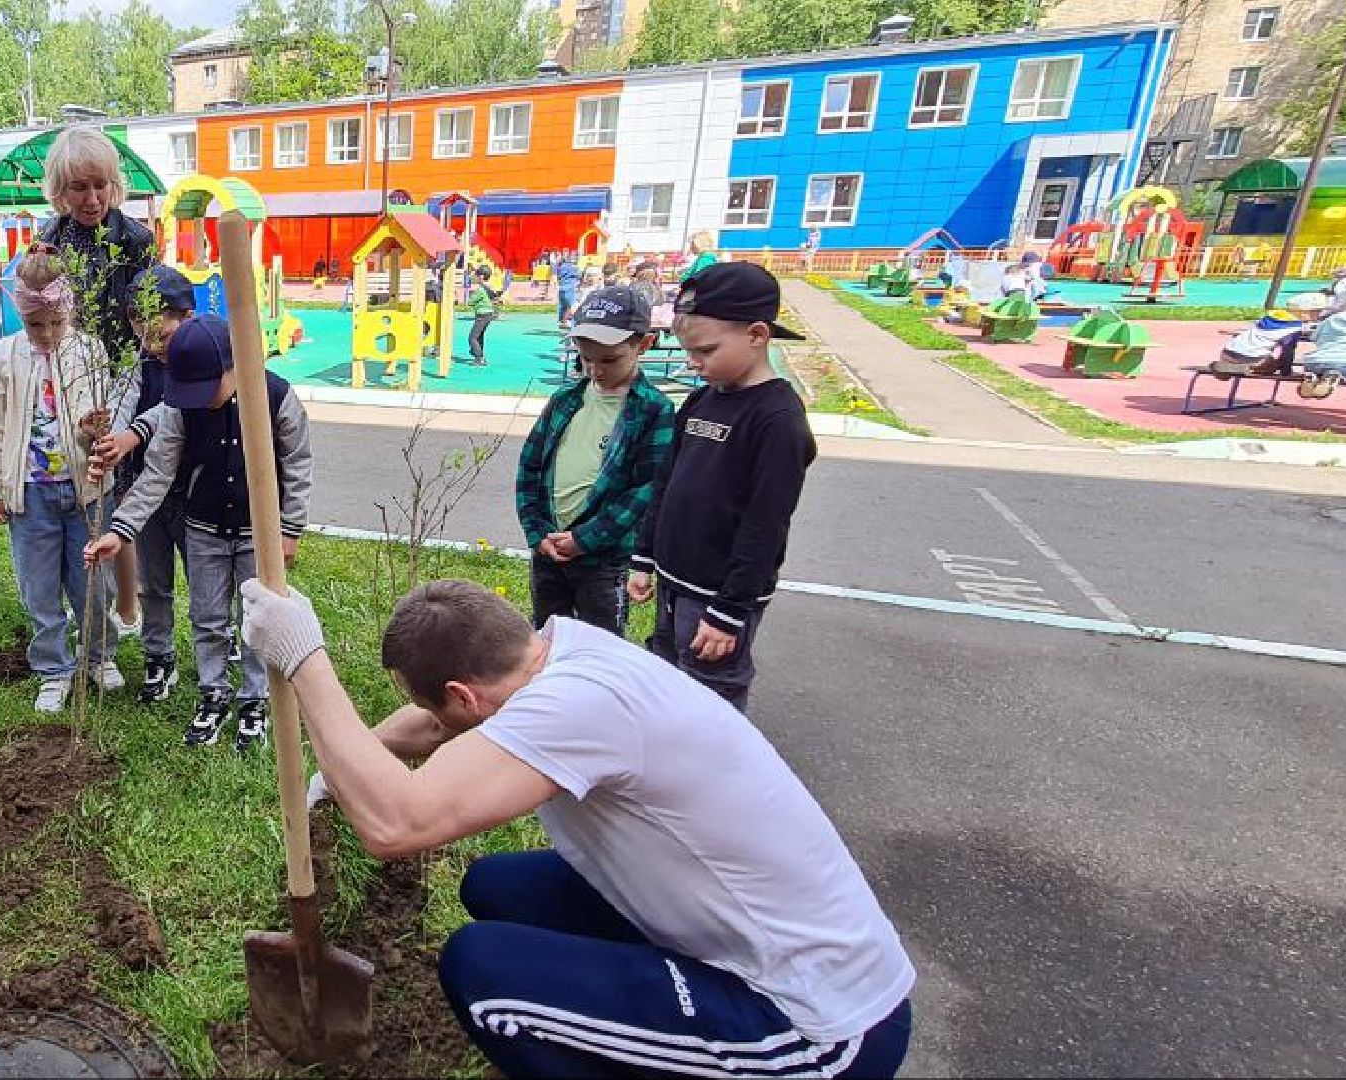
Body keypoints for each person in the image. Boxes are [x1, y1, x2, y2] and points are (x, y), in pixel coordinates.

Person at [233, 577, 916, 1080]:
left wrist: (305, 661)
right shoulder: (560, 657)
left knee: (485, 976)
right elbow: (435, 724)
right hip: (749, 942)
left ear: (468, 695)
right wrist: (349, 768)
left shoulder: (578, 712)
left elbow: (396, 824)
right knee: (498, 887)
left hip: (817, 1026)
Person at [85, 313, 312, 751]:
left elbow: (298, 465)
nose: (199, 400)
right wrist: (121, 530)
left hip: (257, 534)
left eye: (207, 388)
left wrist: (289, 528)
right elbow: (156, 473)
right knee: (207, 619)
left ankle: (253, 700)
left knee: (256, 621)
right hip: (203, 529)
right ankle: (213, 695)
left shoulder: (277, 397)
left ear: (234, 366)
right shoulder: (180, 407)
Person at [627, 263, 815, 713]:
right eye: (689, 350)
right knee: (670, 675)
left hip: (718, 597)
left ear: (756, 334)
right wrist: (645, 556)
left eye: (706, 350)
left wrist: (729, 611)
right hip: (675, 581)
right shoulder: (701, 399)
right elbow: (667, 484)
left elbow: (765, 526)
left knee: (711, 693)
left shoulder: (777, 420)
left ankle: (712, 780)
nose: (693, 362)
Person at [0, 247, 126, 714]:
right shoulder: (3, 356)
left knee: (93, 583)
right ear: (20, 315)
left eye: (55, 324)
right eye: (35, 325)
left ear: (70, 310)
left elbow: (103, 414)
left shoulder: (89, 350)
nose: (46, 334)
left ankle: (98, 654)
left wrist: (91, 430)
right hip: (32, 494)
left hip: (84, 490)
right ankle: (53, 668)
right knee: (38, 588)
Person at [38, 123, 156, 637]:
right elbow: (40, 305)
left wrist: (127, 381)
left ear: (114, 185)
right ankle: (86, 597)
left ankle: (127, 608)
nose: (91, 198)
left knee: (120, 494)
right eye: (78, 188)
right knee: (80, 484)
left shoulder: (135, 241)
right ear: (59, 192)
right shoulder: (49, 241)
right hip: (69, 376)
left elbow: (147, 314)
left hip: (121, 374)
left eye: (100, 186)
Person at [516, 286, 675, 638]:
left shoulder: (652, 410)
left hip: (603, 559)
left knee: (600, 643)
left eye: (609, 359)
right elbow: (529, 466)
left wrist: (585, 539)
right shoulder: (565, 400)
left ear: (643, 344)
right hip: (549, 551)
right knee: (547, 636)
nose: (595, 370)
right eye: (586, 358)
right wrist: (537, 531)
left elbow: (644, 491)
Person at [105, 264, 197, 704]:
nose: (153, 345)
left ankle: (220, 640)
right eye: (143, 333)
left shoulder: (203, 358)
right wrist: (107, 434)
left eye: (162, 334)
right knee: (152, 580)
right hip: (147, 490)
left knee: (206, 580)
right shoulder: (138, 363)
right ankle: (159, 655)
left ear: (188, 316)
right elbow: (122, 404)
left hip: (196, 491)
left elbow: (172, 408)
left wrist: (134, 433)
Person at [1210, 294, 1328, 377]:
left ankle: (1226, 368)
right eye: (1316, 311)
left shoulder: (1270, 317)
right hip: (1253, 359)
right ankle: (1247, 368)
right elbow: (1287, 352)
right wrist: (1286, 371)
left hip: (1227, 352)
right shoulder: (1293, 328)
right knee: (1273, 364)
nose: (1319, 315)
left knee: (1259, 354)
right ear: (1303, 311)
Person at [1294, 301, 1346, 399]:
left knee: (1321, 366)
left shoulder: (1330, 319)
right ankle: (1331, 376)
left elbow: (1313, 337)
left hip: (1315, 361)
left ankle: (1313, 376)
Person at [464, 265, 501, 366]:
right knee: (479, 336)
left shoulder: (480, 290)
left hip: (482, 315)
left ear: (481, 276)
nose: (475, 277)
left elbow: (470, 302)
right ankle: (478, 354)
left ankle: (478, 357)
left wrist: (471, 294)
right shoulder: (490, 287)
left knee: (472, 337)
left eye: (477, 275)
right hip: (489, 314)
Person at [551, 254, 583, 327]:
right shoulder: (574, 267)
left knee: (563, 305)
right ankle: (571, 321)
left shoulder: (559, 267)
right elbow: (580, 276)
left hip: (561, 288)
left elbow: (555, 276)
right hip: (570, 288)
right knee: (572, 305)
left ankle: (563, 321)